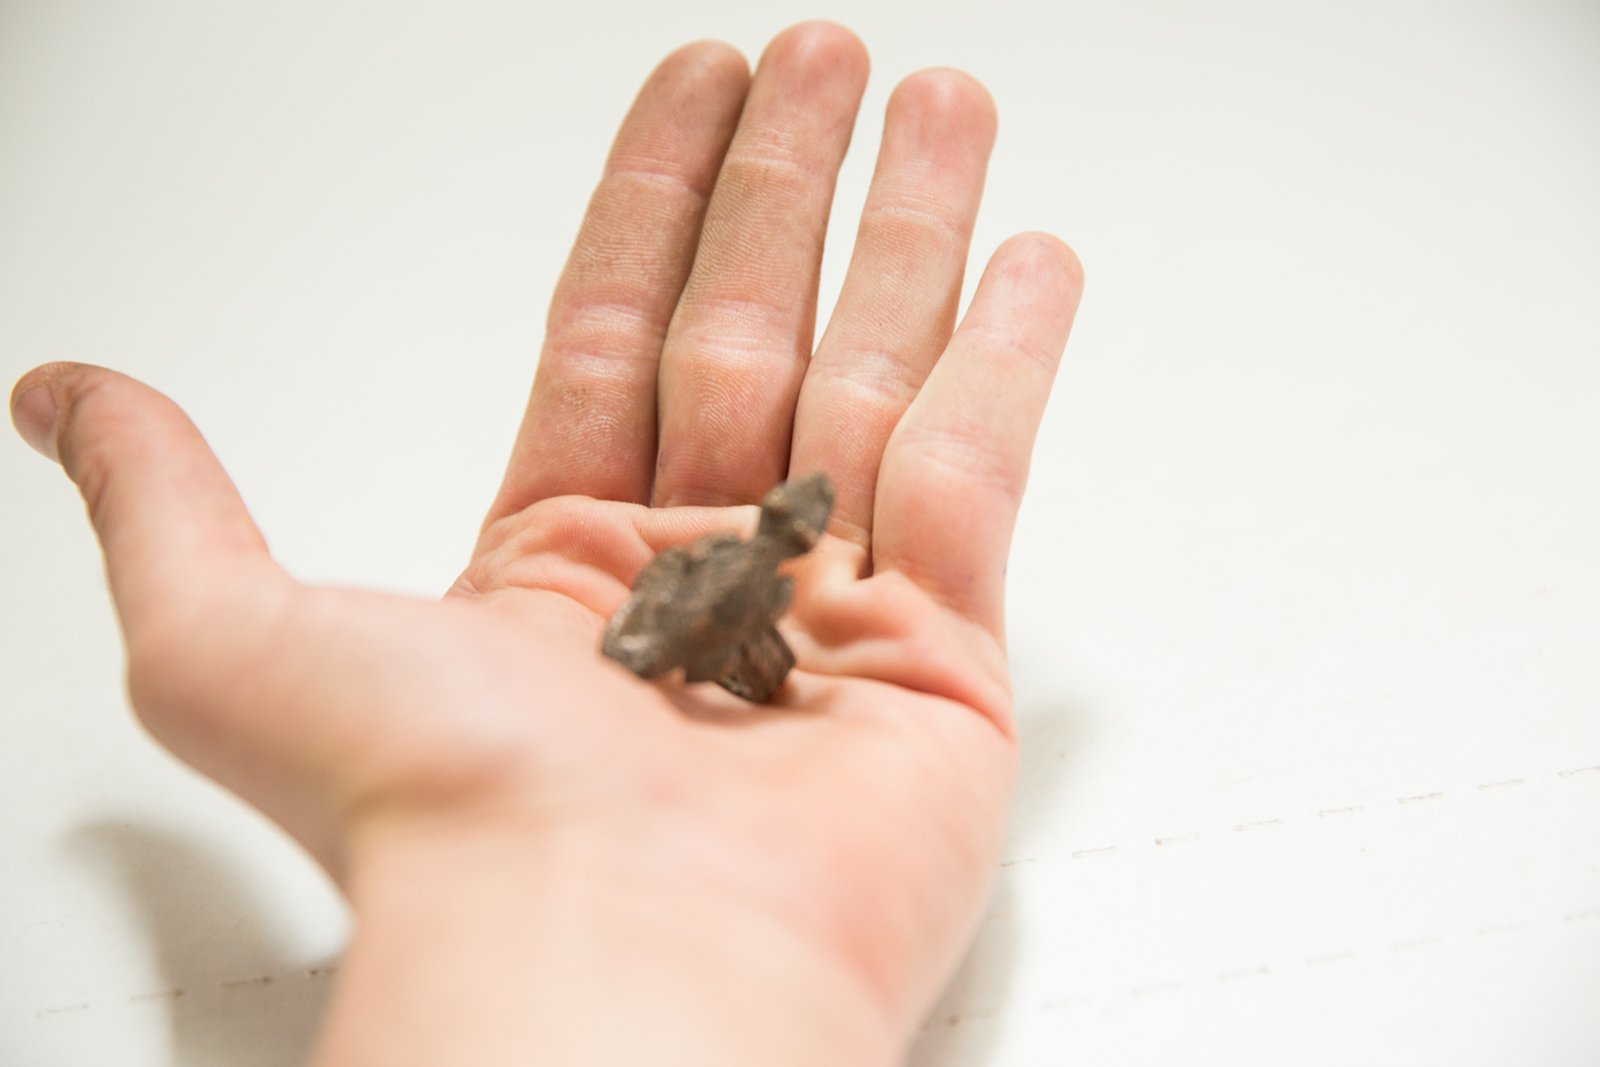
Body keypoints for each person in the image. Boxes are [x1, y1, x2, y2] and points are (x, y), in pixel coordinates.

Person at [8, 21, 1081, 1066]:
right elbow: (702, 621)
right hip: (674, 627)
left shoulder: (763, 589)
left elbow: (749, 641)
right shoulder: (744, 581)